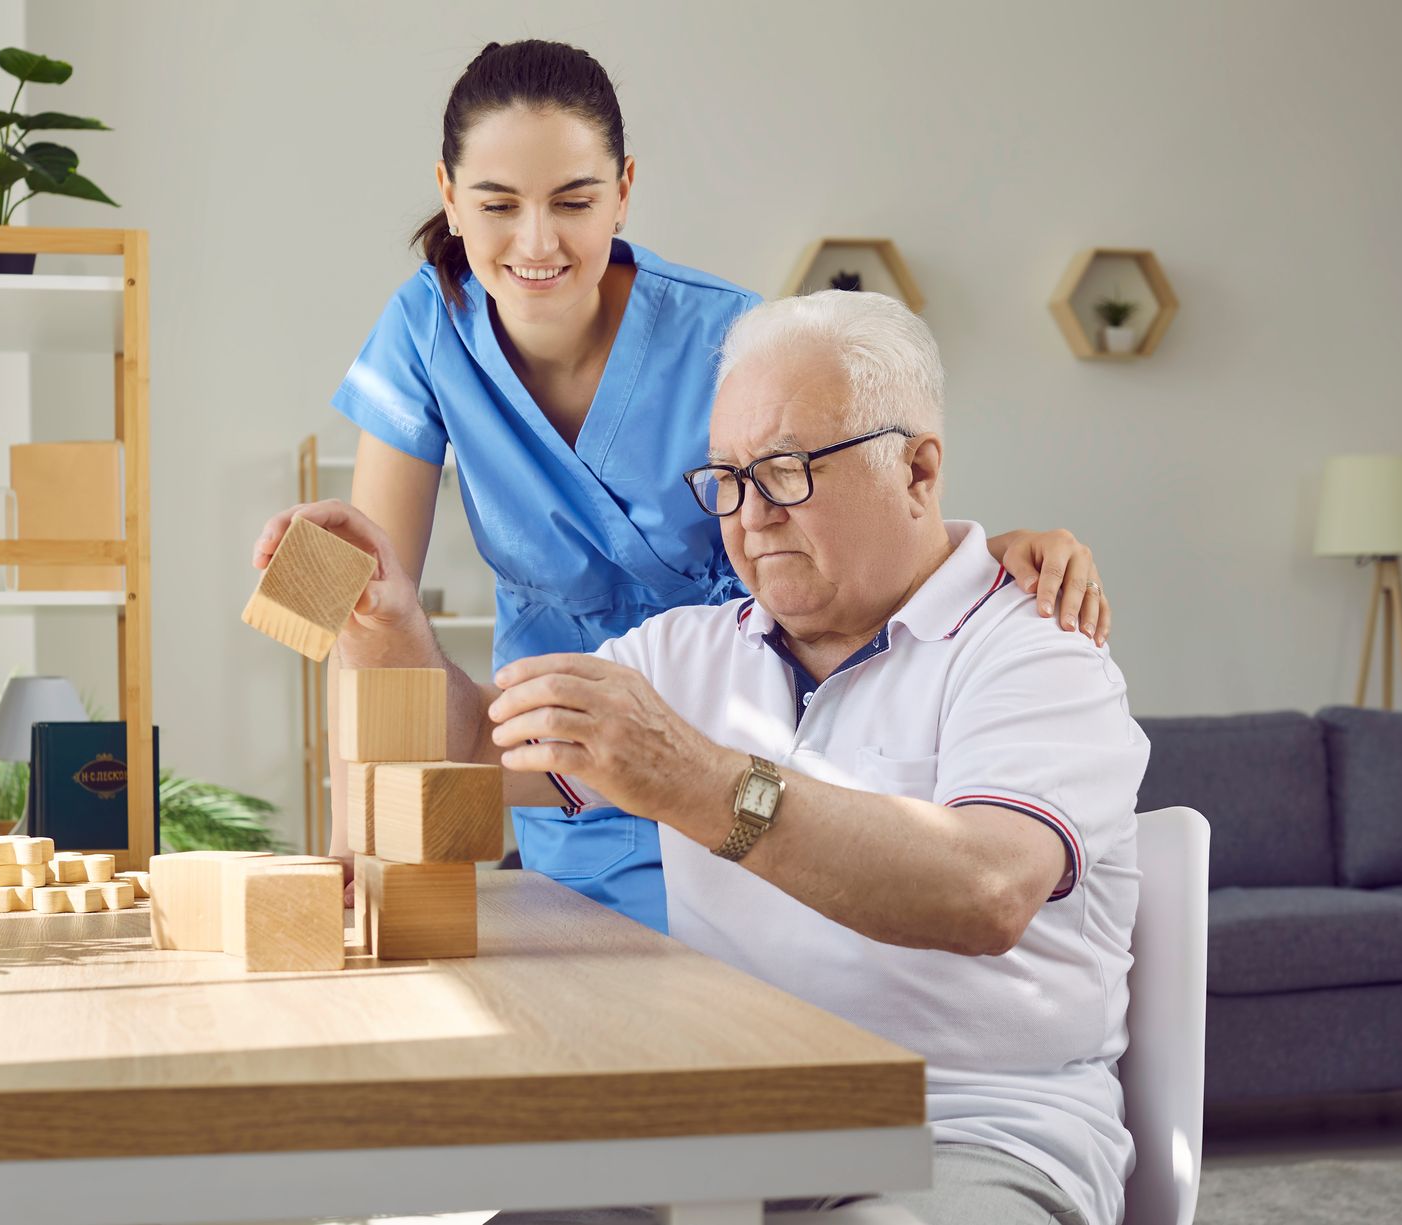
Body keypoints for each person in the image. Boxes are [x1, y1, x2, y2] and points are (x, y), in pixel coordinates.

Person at [252, 290, 1148, 1224]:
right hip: (729, 1119)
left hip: (967, 1131)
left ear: (918, 469)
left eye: (787, 470)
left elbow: (984, 889)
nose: (751, 514)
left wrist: (694, 779)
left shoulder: (1039, 647)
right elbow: (475, 744)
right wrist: (393, 625)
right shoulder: (684, 650)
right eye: (726, 478)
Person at [302, 38, 1114, 933]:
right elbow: (369, 608)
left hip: (748, 756)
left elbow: (861, 507)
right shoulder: (424, 329)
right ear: (449, 196)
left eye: (573, 201)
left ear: (624, 189)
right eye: (498, 204)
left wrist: (982, 562)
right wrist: (352, 834)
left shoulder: (729, 337)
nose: (536, 241)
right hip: (562, 757)